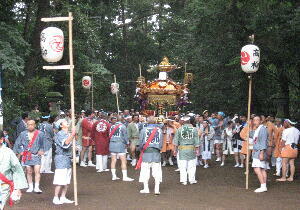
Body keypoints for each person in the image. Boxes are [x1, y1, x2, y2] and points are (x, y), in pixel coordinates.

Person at [13, 119, 45, 193]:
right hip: (27, 155)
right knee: (29, 171)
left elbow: (43, 143)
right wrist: (20, 151)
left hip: (36, 155)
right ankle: (30, 186)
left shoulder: (40, 133)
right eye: (28, 125)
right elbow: (17, 143)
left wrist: (42, 150)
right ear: (26, 126)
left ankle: (36, 187)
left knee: (37, 171)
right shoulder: (23, 134)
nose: (30, 126)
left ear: (35, 125)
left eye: (32, 124)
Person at [0, 131, 28, 210]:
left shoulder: (8, 152)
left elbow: (17, 170)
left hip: (3, 187)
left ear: (1, 139)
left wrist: (17, 188)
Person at [52, 119, 76, 205]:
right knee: (60, 179)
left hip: (67, 158)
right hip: (61, 158)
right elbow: (65, 144)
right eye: (64, 122)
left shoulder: (67, 133)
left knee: (66, 180)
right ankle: (55, 197)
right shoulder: (60, 134)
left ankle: (63, 197)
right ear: (61, 125)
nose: (67, 122)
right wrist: (72, 134)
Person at [138, 116, 163, 195]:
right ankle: (157, 189)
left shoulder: (143, 130)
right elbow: (161, 143)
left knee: (145, 171)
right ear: (155, 122)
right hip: (156, 153)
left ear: (147, 122)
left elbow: (141, 143)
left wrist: (141, 149)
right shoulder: (159, 130)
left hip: (146, 153)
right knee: (157, 171)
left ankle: (146, 189)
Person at [174, 116, 200, 185]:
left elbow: (176, 141)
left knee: (182, 166)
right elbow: (196, 141)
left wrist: (175, 150)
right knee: (192, 165)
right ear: (189, 121)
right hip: (191, 149)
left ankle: (184, 180)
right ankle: (192, 180)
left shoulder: (179, 129)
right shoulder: (194, 129)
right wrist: (197, 150)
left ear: (183, 121)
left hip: (182, 149)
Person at [109, 116, 134, 181]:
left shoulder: (112, 126)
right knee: (123, 161)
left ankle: (113, 176)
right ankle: (125, 177)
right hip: (120, 144)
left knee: (113, 160)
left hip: (112, 143)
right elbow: (125, 136)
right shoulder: (123, 126)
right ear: (122, 120)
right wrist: (127, 143)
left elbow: (109, 135)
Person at [251, 116, 268, 193]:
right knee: (261, 169)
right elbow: (252, 136)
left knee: (257, 168)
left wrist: (261, 153)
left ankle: (263, 185)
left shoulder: (263, 129)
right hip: (257, 151)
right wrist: (251, 126)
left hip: (260, 151)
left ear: (261, 121)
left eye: (257, 120)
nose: (255, 121)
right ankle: (264, 185)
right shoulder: (258, 129)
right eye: (254, 120)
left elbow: (263, 141)